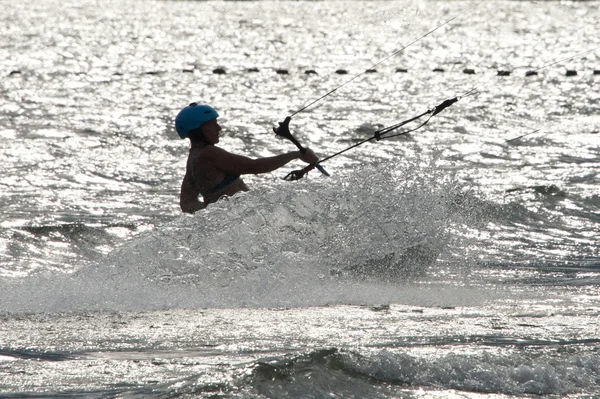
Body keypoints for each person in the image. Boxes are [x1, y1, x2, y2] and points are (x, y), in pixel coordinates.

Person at [175, 103, 319, 213]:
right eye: (213, 124)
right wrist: (296, 154)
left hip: (233, 223)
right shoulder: (209, 153)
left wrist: (213, 213)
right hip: (237, 222)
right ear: (198, 129)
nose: (219, 128)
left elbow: (187, 203)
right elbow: (255, 166)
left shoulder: (193, 158)